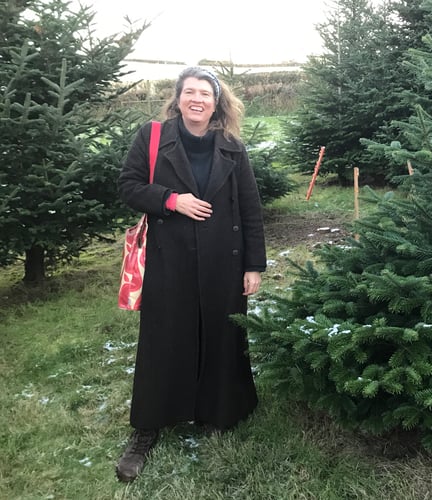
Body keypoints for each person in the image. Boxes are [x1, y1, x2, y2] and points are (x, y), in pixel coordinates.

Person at [116, 67, 266, 482]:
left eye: (206, 94)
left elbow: (250, 209)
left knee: (221, 335)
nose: (197, 99)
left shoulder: (232, 147)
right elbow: (128, 186)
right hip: (170, 260)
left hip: (224, 260)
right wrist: (170, 199)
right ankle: (148, 427)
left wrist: (254, 265)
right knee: (164, 339)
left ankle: (216, 411)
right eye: (190, 92)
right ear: (177, 98)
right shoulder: (152, 138)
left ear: (217, 103)